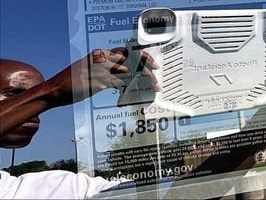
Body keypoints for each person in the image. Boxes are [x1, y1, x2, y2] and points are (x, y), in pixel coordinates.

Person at [0, 48, 159, 199]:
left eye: (35, 96)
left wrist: (141, 102)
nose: (34, 110)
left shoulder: (58, 189)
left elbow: (153, 194)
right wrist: (53, 90)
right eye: (15, 94)